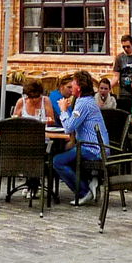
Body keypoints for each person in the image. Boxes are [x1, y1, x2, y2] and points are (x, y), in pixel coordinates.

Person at [54, 71, 106, 205]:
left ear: (80, 87)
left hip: (93, 149)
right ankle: (90, 180)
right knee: (66, 156)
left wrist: (63, 110)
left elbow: (69, 128)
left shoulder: (83, 104)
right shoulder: (85, 101)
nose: (72, 86)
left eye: (74, 83)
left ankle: (84, 191)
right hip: (93, 146)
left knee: (58, 161)